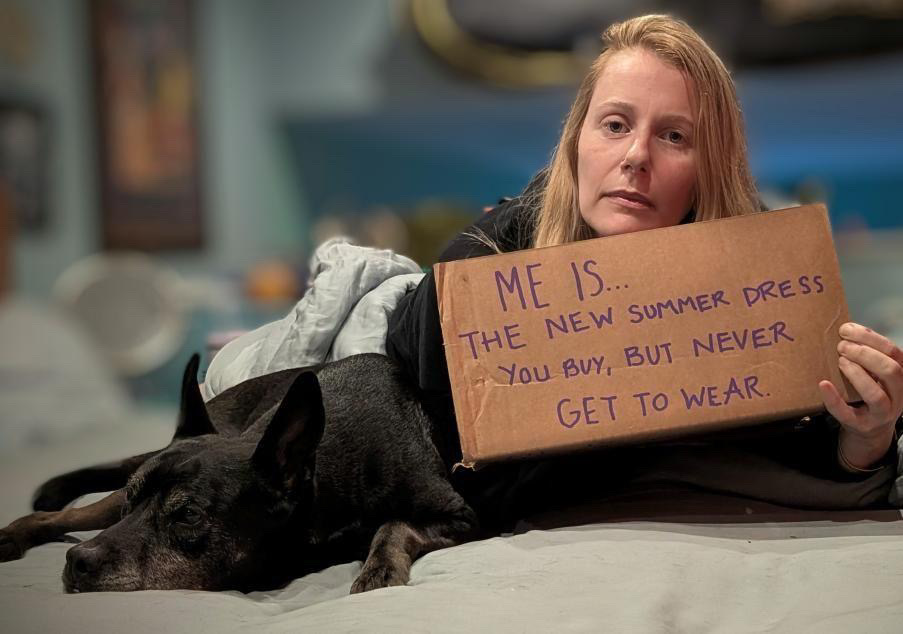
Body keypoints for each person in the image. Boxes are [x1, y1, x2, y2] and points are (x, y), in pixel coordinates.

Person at [386, 14, 903, 482]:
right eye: (615, 125)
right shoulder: (489, 257)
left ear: (709, 169)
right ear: (576, 140)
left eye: (674, 136)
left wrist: (868, 437)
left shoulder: (767, 285)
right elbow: (411, 403)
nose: (636, 156)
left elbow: (812, 456)